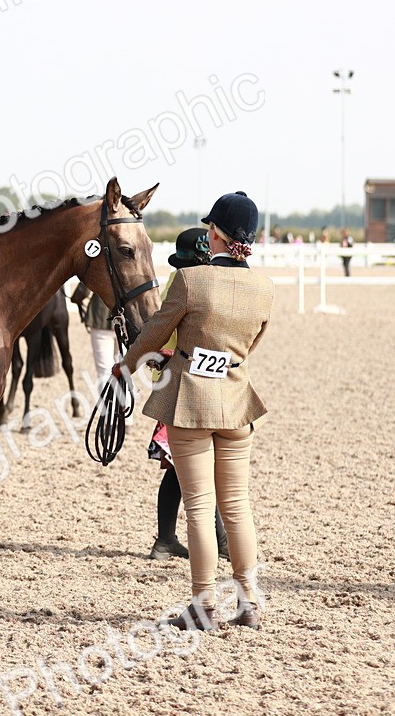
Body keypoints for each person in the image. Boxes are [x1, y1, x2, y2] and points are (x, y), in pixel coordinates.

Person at [116, 191, 274, 631]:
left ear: (215, 234)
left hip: (191, 405)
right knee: (238, 507)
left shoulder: (191, 281)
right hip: (237, 402)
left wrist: (126, 366)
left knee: (201, 508)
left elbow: (154, 333)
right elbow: (251, 345)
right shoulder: (264, 287)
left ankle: (204, 607)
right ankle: (249, 602)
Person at [147, 227, 229, 563]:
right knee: (202, 463)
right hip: (186, 382)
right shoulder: (198, 283)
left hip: (175, 380)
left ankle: (167, 540)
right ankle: (219, 541)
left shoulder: (179, 280)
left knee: (183, 466)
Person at [69, 282, 117, 389]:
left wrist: (76, 298)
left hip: (101, 319)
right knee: (123, 369)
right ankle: (125, 404)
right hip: (125, 321)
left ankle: (107, 404)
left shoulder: (101, 264)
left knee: (104, 371)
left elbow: (85, 287)